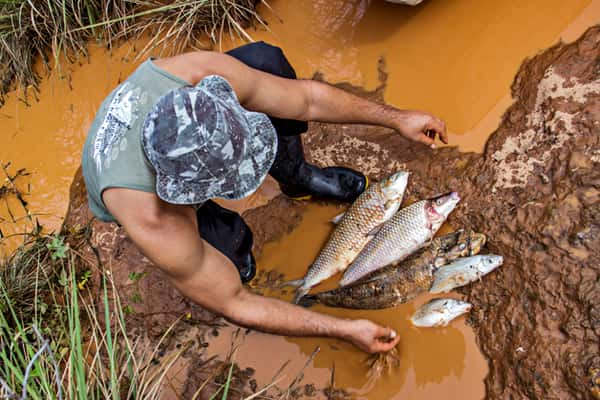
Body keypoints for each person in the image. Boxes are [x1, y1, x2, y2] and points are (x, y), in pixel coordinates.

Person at [81, 41, 446, 353]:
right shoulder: (152, 215)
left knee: (265, 60)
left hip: (158, 128)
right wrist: (344, 329)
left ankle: (297, 177)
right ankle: (233, 253)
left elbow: (306, 99)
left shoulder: (200, 73)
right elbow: (234, 304)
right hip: (135, 176)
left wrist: (396, 119)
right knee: (226, 253)